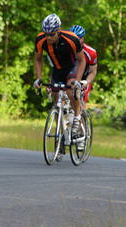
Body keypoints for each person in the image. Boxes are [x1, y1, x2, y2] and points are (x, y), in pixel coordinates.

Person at [33, 13, 86, 151]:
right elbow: (38, 59)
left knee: (70, 91)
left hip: (72, 67)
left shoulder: (71, 38)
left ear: (58, 30)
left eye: (51, 34)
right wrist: (39, 78)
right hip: (57, 69)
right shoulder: (40, 40)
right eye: (46, 34)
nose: (48, 37)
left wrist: (78, 81)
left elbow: (82, 61)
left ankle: (77, 117)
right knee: (57, 100)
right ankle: (62, 133)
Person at [70, 25, 98, 107]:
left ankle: (81, 114)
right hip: (70, 77)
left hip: (84, 79)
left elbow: (93, 72)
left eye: (77, 39)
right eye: (72, 39)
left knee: (80, 106)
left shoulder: (91, 52)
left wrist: (84, 84)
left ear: (82, 38)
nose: (74, 42)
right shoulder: (65, 50)